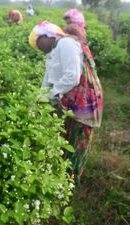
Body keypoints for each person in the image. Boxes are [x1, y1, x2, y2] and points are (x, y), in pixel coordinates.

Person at [29, 21, 103, 183]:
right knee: (65, 140)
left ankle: (70, 182)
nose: (38, 47)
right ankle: (61, 179)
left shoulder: (66, 44)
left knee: (77, 142)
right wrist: (38, 98)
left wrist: (52, 95)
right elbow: (48, 79)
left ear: (47, 36)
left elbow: (72, 76)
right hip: (70, 102)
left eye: (38, 42)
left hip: (82, 103)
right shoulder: (54, 50)